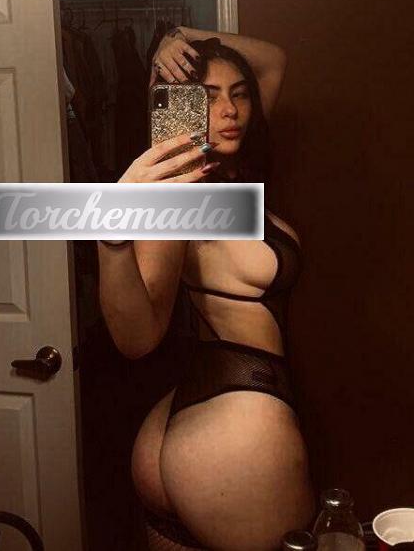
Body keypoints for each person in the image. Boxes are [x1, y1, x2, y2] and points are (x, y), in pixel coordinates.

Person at [96, 27, 316, 551]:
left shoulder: (229, 170)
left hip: (202, 420)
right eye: (208, 98)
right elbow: (137, 338)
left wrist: (180, 38)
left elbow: (273, 58)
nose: (230, 110)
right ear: (182, 110)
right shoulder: (182, 194)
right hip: (235, 432)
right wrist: (112, 235)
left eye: (239, 95)